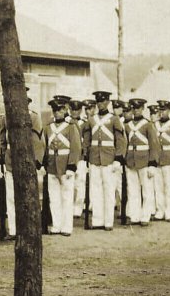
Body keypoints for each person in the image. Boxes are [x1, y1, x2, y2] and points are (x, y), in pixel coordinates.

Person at [0, 89, 44, 240]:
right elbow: (3, 140)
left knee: (28, 196)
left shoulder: (34, 117)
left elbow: (38, 141)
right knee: (11, 197)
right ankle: (13, 230)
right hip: (10, 160)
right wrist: (1, 161)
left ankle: (29, 229)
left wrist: (36, 161)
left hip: (27, 160)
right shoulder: (5, 117)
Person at [82, 90, 127, 230]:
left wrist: (118, 159)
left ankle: (108, 221)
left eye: (103, 101)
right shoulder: (91, 119)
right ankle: (97, 220)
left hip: (109, 159)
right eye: (98, 102)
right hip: (94, 159)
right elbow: (87, 141)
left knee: (108, 190)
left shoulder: (114, 119)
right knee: (95, 191)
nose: (100, 104)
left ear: (108, 102)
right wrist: (85, 158)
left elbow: (120, 140)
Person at [42, 98, 82, 236]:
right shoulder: (48, 127)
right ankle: (56, 225)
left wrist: (72, 166)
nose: (57, 113)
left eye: (60, 110)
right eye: (55, 110)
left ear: (65, 110)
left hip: (66, 166)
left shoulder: (71, 126)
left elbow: (76, 148)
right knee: (54, 198)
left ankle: (66, 226)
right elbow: (45, 147)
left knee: (67, 197)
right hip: (52, 166)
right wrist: (44, 164)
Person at [123, 98, 160, 226]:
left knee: (147, 190)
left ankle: (145, 216)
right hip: (131, 161)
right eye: (133, 108)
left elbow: (154, 145)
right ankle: (134, 215)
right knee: (132, 190)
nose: (136, 110)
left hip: (145, 161)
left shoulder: (148, 125)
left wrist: (152, 164)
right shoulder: (127, 125)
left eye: (138, 108)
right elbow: (125, 144)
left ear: (143, 109)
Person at [67, 100, 88, 217]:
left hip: (81, 157)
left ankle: (78, 208)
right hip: (69, 157)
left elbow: (87, 140)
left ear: (80, 110)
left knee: (80, 183)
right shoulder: (66, 122)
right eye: (72, 110)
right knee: (69, 183)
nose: (74, 112)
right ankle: (69, 206)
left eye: (77, 110)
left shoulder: (84, 123)